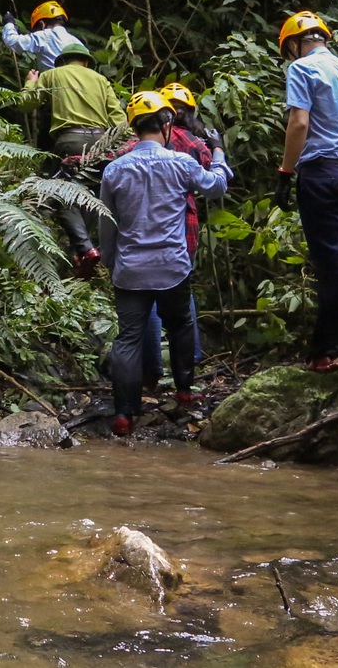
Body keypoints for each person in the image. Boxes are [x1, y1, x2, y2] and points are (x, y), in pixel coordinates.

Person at [98, 90, 231, 437]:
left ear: (134, 128)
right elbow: (216, 188)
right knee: (180, 325)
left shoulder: (114, 170)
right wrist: (217, 151)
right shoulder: (182, 163)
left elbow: (106, 223)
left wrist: (111, 264)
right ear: (167, 122)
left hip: (129, 269)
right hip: (172, 265)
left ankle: (124, 415)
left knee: (128, 339)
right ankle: (184, 390)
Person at [275, 10, 338, 372]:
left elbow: (299, 122)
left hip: (320, 172)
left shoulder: (301, 69)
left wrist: (285, 172)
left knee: (334, 265)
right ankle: (323, 350)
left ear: (295, 45)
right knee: (335, 261)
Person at [34, 41, 125, 274]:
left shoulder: (51, 75)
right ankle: (84, 253)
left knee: (63, 195)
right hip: (102, 143)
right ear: (85, 61)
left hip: (70, 141)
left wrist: (30, 83)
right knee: (92, 198)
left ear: (63, 61)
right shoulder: (101, 80)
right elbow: (120, 120)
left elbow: (28, 103)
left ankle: (85, 249)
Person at [1, 1, 83, 73]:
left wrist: (9, 23)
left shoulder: (44, 36)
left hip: (56, 87)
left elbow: (12, 41)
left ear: (42, 24)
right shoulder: (77, 42)